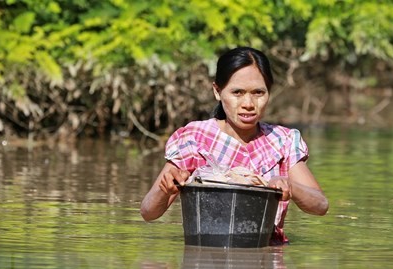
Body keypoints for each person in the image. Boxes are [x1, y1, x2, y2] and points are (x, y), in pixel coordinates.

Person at [140, 47, 328, 244]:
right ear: (217, 92)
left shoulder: (282, 141)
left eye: (258, 93)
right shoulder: (194, 139)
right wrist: (166, 187)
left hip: (267, 255)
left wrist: (288, 185)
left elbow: (320, 205)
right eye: (237, 92)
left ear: (269, 93)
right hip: (205, 257)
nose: (248, 103)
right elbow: (148, 212)